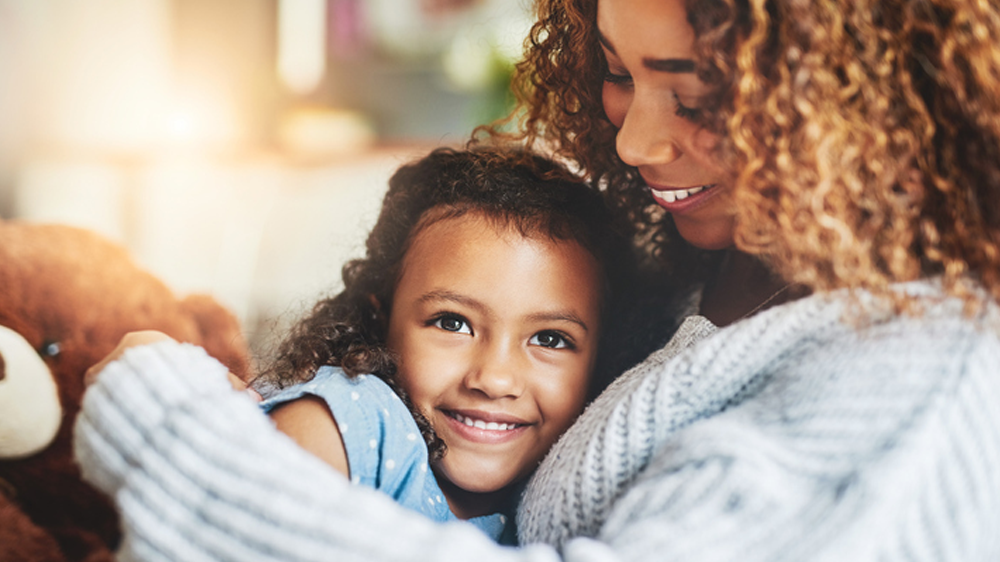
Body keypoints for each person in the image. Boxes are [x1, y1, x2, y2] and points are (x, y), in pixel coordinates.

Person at [74, 0, 1000, 560]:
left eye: (700, 93)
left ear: (859, 98)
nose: (634, 141)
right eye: (614, 71)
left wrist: (169, 428)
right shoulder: (699, 263)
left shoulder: (921, 381)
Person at [250, 146, 649, 543]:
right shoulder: (351, 422)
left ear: (601, 359)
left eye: (549, 339)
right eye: (453, 323)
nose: (494, 380)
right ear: (380, 318)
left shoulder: (568, 491)